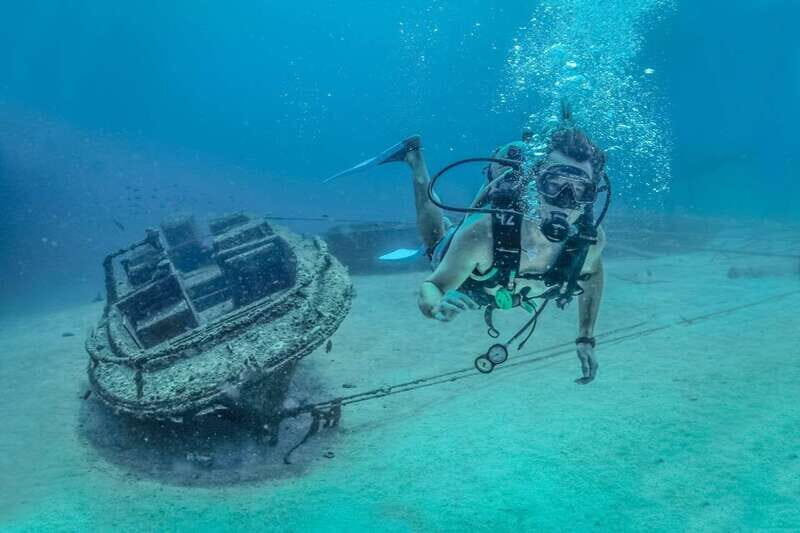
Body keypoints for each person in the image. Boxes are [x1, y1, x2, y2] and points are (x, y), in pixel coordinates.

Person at [400, 126, 607, 384]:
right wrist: (434, 306)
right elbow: (433, 285)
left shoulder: (589, 240)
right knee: (435, 240)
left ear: (591, 196)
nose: (564, 200)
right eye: (553, 183)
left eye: (579, 190)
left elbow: (593, 273)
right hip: (475, 276)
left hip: (501, 283)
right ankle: (415, 160)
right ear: (535, 181)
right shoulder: (482, 234)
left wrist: (586, 336)